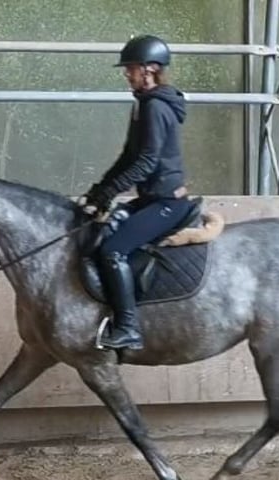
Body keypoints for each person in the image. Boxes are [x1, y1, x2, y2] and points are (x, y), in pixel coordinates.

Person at [82, 34, 194, 351]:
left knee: (112, 251)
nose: (126, 74)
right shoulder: (143, 105)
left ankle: (129, 327)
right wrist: (100, 190)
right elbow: (129, 156)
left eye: (131, 68)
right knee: (104, 231)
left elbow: (147, 161)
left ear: (150, 69)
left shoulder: (156, 107)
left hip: (166, 203)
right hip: (150, 199)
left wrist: (113, 191)